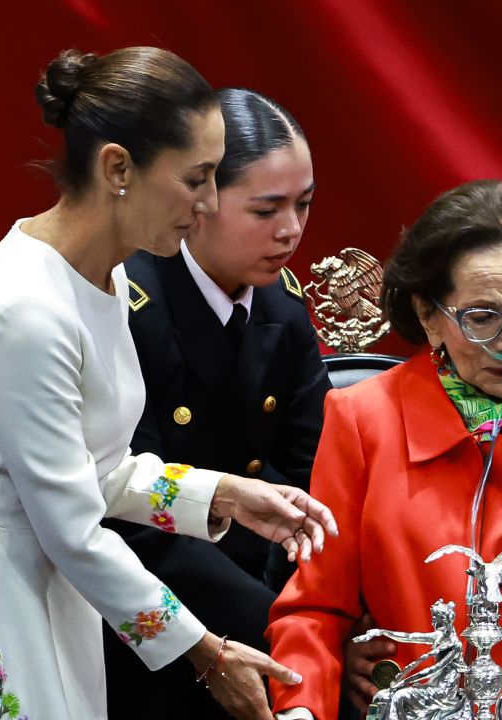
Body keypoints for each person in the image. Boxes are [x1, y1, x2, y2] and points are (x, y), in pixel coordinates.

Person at [0, 47, 336, 720]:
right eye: (196, 179)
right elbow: (73, 529)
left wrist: (222, 493)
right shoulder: (27, 307)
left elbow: (100, 470)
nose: (205, 207)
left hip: (53, 598)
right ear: (118, 169)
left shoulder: (100, 277)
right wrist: (208, 652)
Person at [265, 180, 502, 720]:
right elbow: (313, 609)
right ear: (428, 315)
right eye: (482, 317)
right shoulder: (364, 421)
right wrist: (300, 709)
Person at [103, 88, 331, 720]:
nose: (291, 229)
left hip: (268, 610)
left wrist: (309, 618)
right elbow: (126, 515)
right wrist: (276, 627)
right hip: (156, 628)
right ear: (199, 201)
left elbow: (310, 474)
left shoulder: (283, 307)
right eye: (266, 209)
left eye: (303, 204)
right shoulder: (131, 307)